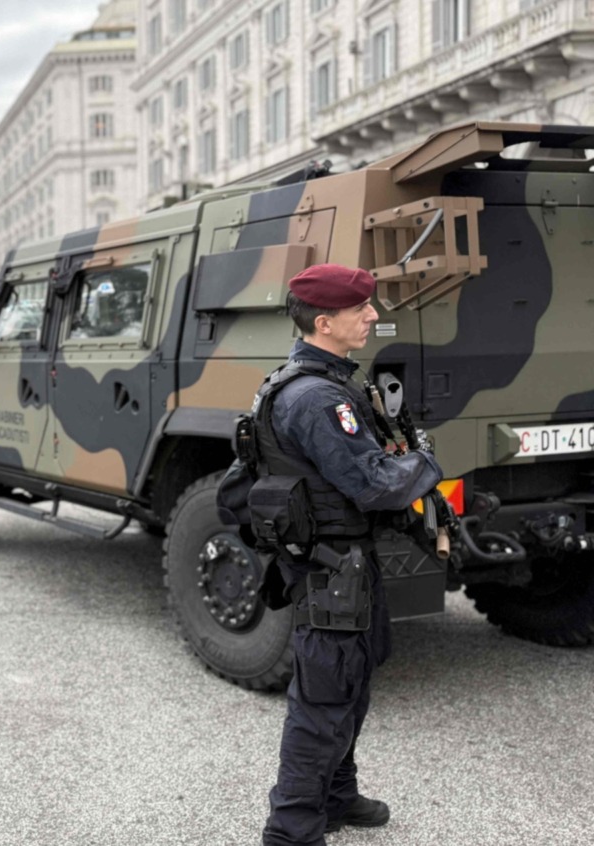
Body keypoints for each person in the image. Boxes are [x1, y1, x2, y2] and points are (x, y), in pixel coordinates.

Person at [231, 264, 444, 846]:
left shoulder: (323, 381)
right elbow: (374, 483)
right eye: (361, 310)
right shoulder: (317, 398)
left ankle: (335, 794)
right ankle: (293, 829)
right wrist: (427, 464)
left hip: (347, 560)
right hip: (330, 568)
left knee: (353, 681)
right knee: (323, 698)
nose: (373, 316)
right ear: (325, 322)